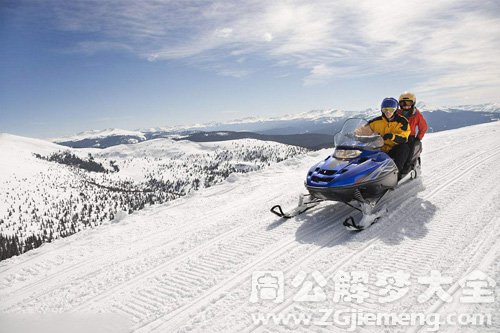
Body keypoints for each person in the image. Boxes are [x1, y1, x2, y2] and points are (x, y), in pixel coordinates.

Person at [368, 97, 410, 175]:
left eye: (391, 110)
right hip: (378, 149)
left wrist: (392, 137)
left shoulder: (402, 121)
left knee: (404, 148)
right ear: (382, 110)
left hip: (393, 149)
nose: (388, 112)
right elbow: (364, 130)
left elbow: (404, 137)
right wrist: (355, 134)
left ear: (395, 110)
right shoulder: (375, 122)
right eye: (385, 109)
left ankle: (396, 172)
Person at [397, 91, 427, 172]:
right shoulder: (397, 113)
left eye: (408, 103)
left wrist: (418, 138)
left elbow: (423, 127)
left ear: (413, 103)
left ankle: (407, 166)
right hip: (398, 135)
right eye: (403, 103)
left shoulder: (417, 115)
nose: (406, 106)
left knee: (408, 150)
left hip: (410, 136)